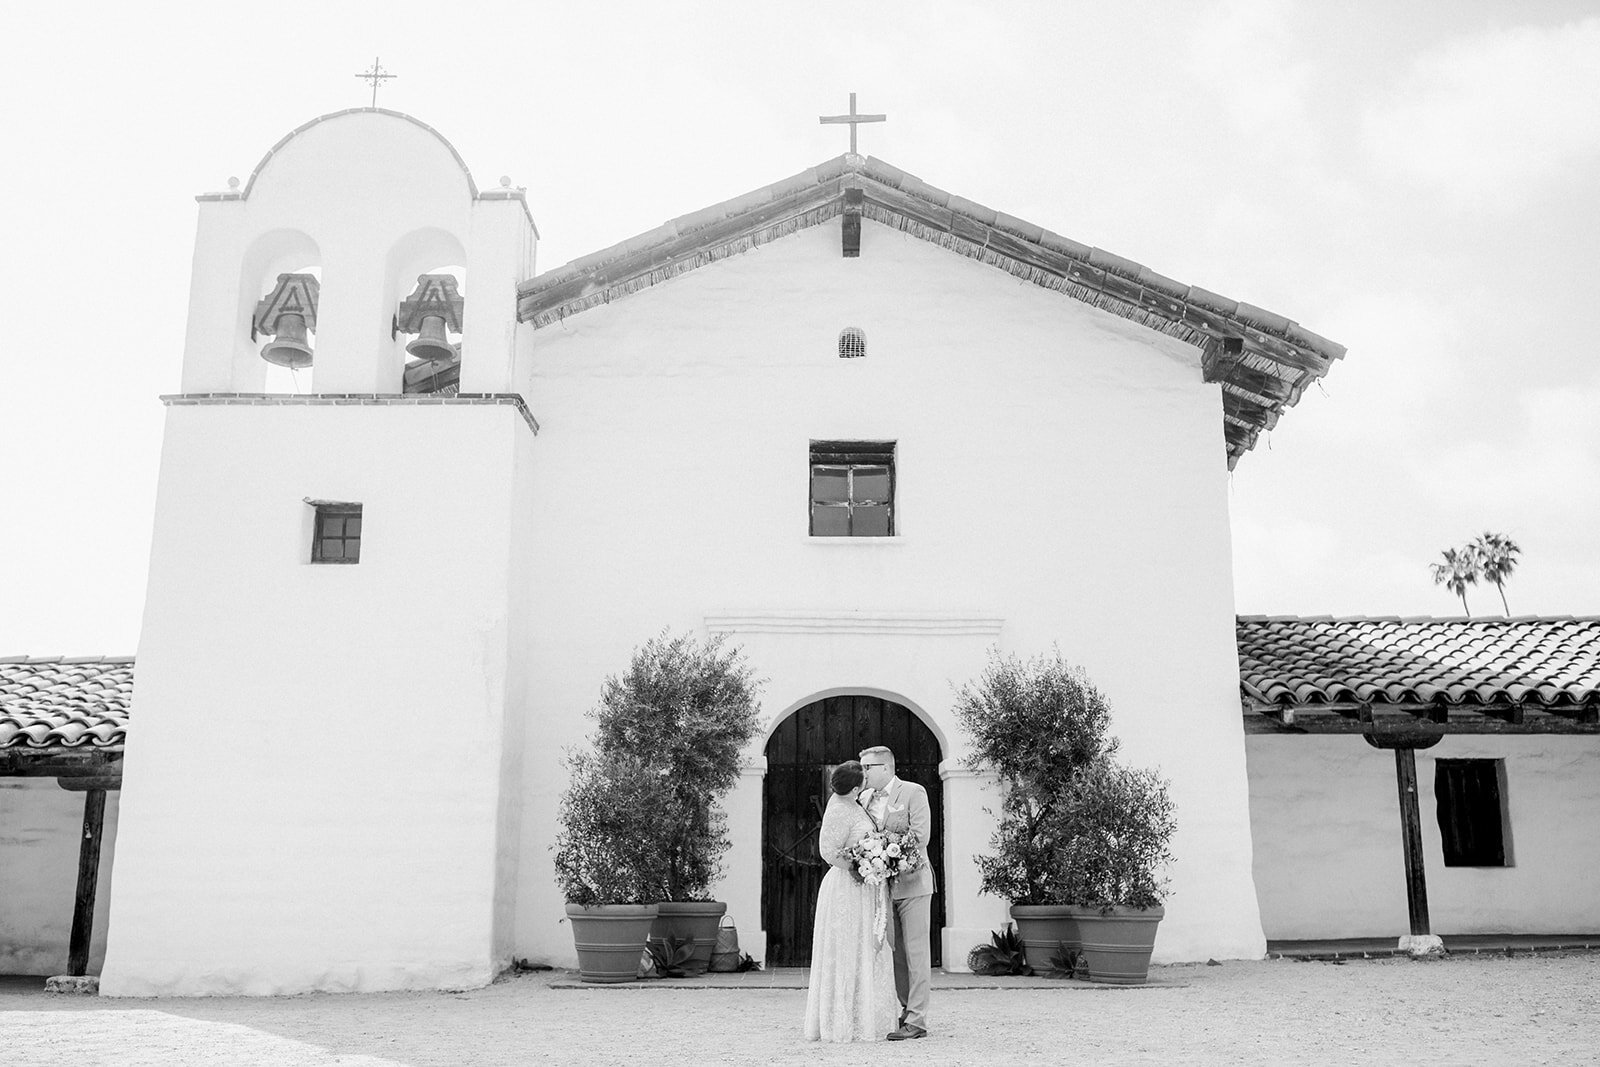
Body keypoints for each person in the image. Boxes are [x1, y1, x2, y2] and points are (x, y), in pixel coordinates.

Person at [803, 760, 897, 1042]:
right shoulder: (839, 808)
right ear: (855, 787)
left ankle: (865, 1016)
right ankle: (843, 1021)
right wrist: (862, 865)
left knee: (864, 947)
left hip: (864, 888)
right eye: (864, 778)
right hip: (847, 886)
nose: (868, 781)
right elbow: (828, 851)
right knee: (847, 947)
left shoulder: (855, 803)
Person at [859, 745, 934, 1041]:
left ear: (886, 768)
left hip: (914, 885)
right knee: (897, 954)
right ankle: (906, 1010)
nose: (863, 773)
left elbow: (920, 836)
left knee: (916, 953)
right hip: (884, 888)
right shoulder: (864, 799)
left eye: (868, 768)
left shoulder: (914, 792)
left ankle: (917, 1020)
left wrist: (886, 854)